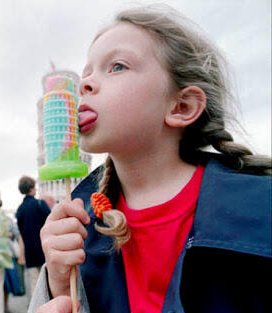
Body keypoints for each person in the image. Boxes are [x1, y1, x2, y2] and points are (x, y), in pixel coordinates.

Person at [31, 5, 271, 313]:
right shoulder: (80, 224)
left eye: (116, 66)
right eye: (86, 73)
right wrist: (59, 286)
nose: (85, 85)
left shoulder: (259, 208)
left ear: (181, 106)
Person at [15, 176, 50, 295]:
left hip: (29, 251)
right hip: (44, 248)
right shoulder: (40, 204)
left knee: (34, 281)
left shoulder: (20, 210)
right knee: (48, 279)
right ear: (31, 188)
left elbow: (21, 232)